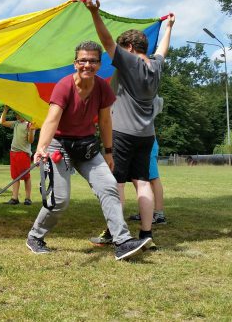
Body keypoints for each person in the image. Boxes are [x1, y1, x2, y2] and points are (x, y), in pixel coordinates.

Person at [25, 40, 151, 261]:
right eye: (83, 60)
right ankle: (35, 237)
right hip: (59, 146)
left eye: (93, 61)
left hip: (86, 147)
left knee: (109, 186)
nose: (87, 65)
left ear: (99, 65)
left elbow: (105, 122)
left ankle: (122, 242)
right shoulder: (64, 86)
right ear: (75, 63)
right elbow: (51, 120)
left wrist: (109, 152)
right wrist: (41, 148)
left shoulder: (102, 87)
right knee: (60, 201)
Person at [86, 0, 174, 246]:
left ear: (131, 48)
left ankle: (115, 233)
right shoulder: (155, 66)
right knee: (143, 183)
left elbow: (105, 41)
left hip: (123, 133)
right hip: (147, 135)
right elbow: (162, 50)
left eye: (123, 48)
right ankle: (147, 235)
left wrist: (95, 13)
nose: (120, 52)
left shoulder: (129, 61)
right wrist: (169, 27)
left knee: (117, 184)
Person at [0, 105, 36, 205]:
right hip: (13, 153)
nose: (17, 116)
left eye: (19, 114)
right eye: (16, 114)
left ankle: (28, 198)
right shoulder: (16, 123)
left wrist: (31, 130)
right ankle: (14, 198)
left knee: (26, 176)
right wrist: (5, 110)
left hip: (23, 154)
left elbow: (30, 141)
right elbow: (2, 122)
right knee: (15, 177)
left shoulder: (30, 124)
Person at [128, 138, 167, 224]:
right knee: (140, 179)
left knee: (153, 178)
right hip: (136, 141)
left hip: (147, 142)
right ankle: (145, 212)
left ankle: (159, 215)